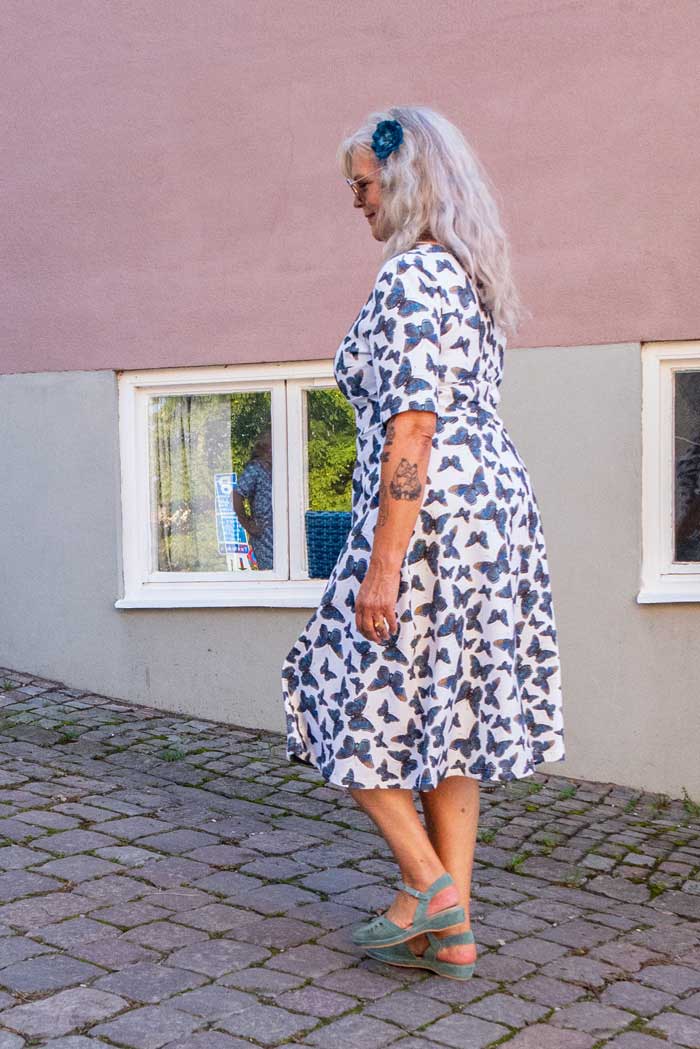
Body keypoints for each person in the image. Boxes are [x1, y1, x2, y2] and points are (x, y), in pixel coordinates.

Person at [281, 106, 565, 980]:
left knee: (326, 687)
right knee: (451, 715)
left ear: (403, 181)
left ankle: (429, 887)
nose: (355, 199)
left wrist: (383, 566)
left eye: (363, 183)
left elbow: (411, 427)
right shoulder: (470, 276)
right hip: (493, 508)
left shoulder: (410, 276)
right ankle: (452, 929)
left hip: (429, 508)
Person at [232, 429, 274, 570]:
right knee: (272, 572)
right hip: (266, 536)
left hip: (282, 533)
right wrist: (247, 524)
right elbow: (237, 494)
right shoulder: (256, 469)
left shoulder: (278, 470)